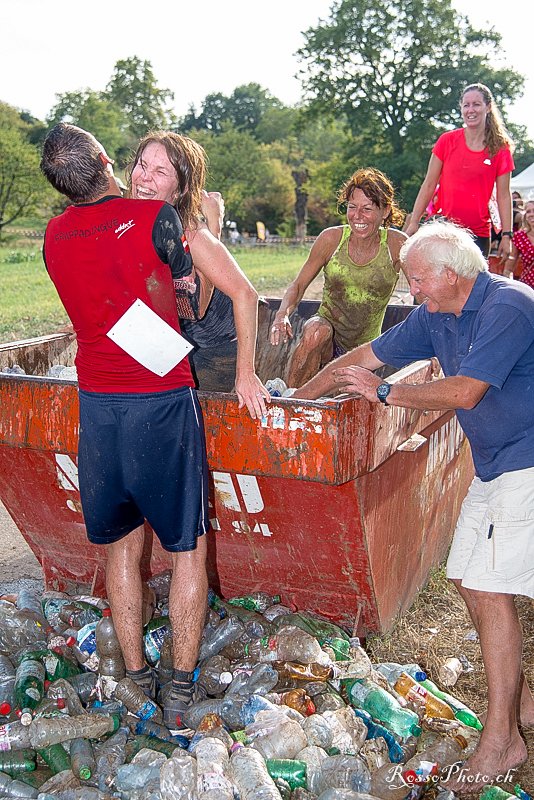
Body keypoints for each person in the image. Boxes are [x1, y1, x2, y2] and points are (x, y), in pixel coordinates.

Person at [293, 220, 534, 791]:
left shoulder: (509, 306)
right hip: (495, 461)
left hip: (527, 462)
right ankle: (520, 707)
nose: (412, 292)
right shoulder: (437, 313)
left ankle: (500, 741)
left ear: (453, 274)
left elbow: (465, 391)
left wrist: (386, 393)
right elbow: (363, 357)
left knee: (486, 586)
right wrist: (290, 405)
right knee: (469, 580)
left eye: (418, 280)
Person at [39, 122, 239, 734]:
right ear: (105, 159)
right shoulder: (154, 217)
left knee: (121, 548)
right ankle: (177, 687)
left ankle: (132, 676)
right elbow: (187, 300)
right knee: (185, 549)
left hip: (97, 406)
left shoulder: (51, 236)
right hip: (161, 401)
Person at [129, 132, 266, 397]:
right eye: (142, 165)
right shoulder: (128, 217)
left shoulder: (190, 231)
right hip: (171, 345)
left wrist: (246, 375)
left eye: (160, 171)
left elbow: (246, 295)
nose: (144, 177)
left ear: (180, 189)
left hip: (212, 352)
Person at [270, 167, 407, 387]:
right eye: (352, 207)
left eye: (367, 209)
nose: (357, 216)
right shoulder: (331, 239)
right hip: (325, 340)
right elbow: (298, 285)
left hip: (365, 350)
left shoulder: (396, 244)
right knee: (316, 331)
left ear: (385, 211)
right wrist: (281, 314)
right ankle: (290, 397)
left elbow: (424, 289)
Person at [405, 83, 514, 262]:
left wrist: (507, 235)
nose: (471, 110)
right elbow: (429, 184)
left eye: (476, 104)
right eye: (466, 105)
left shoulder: (501, 149)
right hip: (443, 230)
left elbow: (504, 195)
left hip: (477, 235)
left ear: (488, 107)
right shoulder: (446, 141)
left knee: (472, 288)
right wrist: (414, 221)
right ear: (461, 108)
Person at [508, 199, 534, 288]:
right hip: (528, 287)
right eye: (528, 212)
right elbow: (510, 265)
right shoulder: (519, 236)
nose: (532, 214)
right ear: (525, 216)